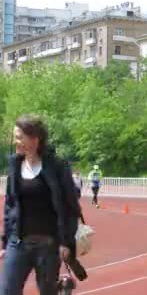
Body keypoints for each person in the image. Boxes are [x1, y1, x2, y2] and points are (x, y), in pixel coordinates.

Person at [0, 114, 84, 294]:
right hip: (18, 242)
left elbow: (70, 207)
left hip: (48, 245)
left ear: (34, 139)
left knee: (47, 291)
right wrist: (5, 242)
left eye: (19, 137)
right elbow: (10, 205)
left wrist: (66, 243)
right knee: (6, 290)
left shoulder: (57, 166)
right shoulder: (15, 164)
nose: (15, 142)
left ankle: (61, 288)